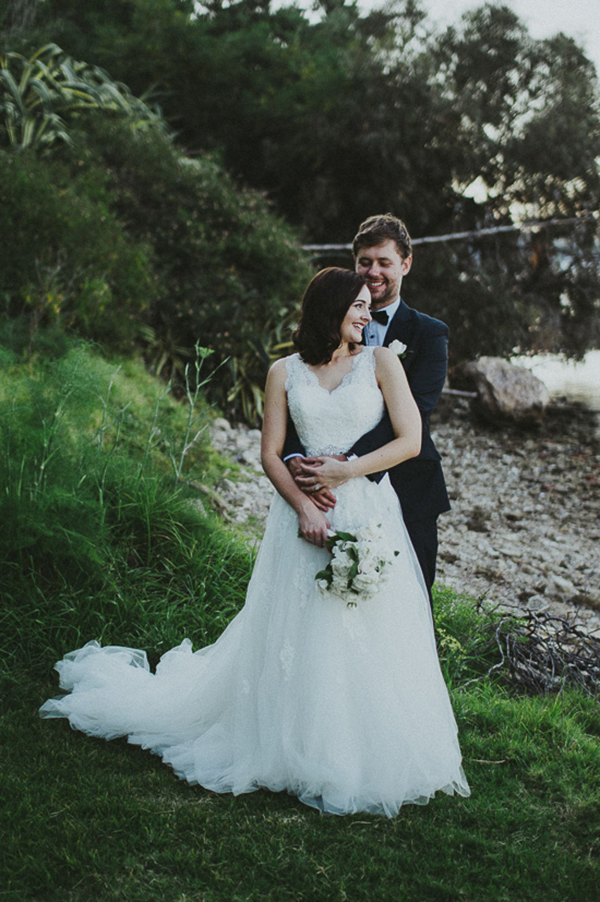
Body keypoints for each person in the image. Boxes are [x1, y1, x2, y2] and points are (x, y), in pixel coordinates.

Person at [40, 267, 469, 817]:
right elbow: (270, 452)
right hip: (300, 514)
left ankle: (363, 745)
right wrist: (305, 506)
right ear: (329, 310)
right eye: (357, 306)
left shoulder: (381, 362)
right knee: (302, 623)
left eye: (368, 306)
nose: (367, 315)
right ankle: (285, 741)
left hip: (366, 507)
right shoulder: (283, 371)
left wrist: (345, 472)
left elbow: (410, 441)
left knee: (367, 623)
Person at [285, 214, 450, 608]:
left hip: (408, 484)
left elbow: (416, 412)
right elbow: (303, 398)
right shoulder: (324, 331)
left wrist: (346, 461)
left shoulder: (429, 334)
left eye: (384, 262)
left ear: (405, 264)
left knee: (407, 600)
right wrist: (294, 457)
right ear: (354, 262)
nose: (373, 272)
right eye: (364, 262)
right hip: (327, 488)